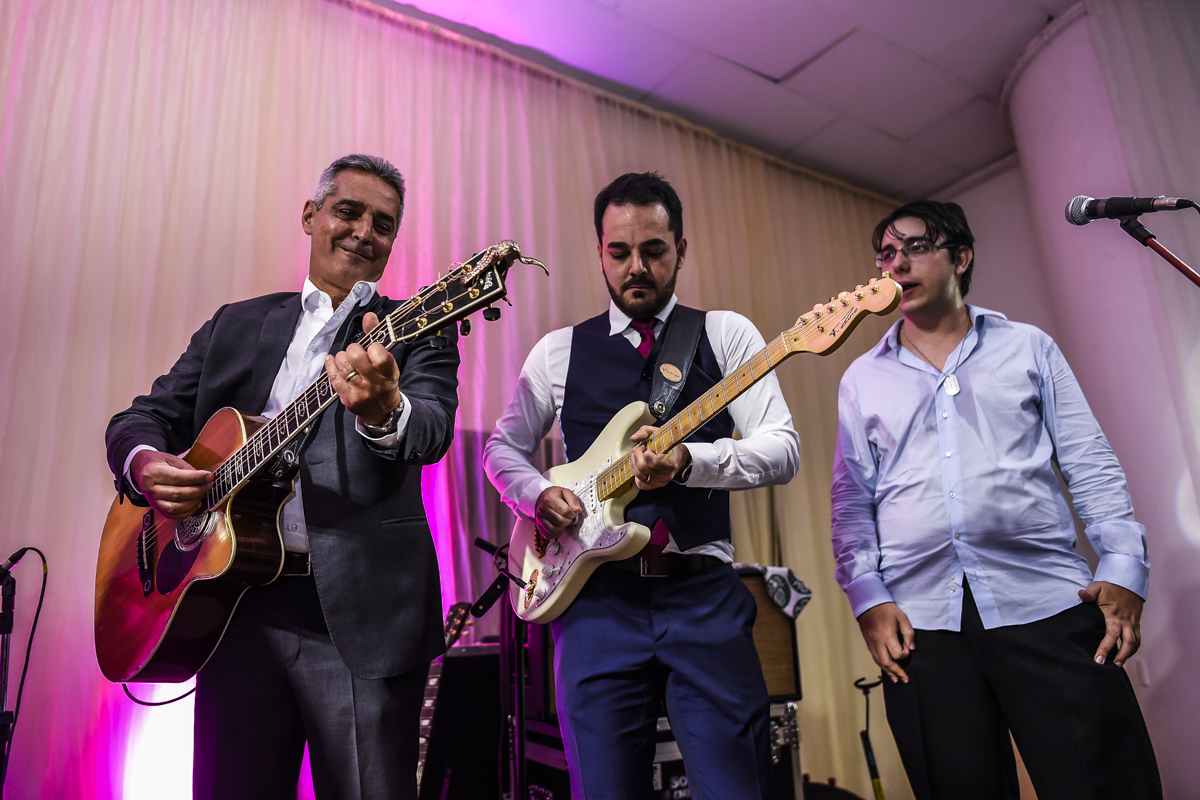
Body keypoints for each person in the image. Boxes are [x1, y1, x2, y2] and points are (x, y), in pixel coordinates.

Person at [105, 154, 460, 800]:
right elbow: (143, 417)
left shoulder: (416, 329)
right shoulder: (234, 325)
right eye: (348, 211)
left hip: (362, 620)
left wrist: (386, 411)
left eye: (383, 224)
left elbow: (431, 428)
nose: (363, 231)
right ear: (311, 216)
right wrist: (148, 465)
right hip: (230, 611)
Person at [484, 171, 799, 799]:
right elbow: (502, 449)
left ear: (681, 248)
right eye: (619, 251)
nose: (636, 267)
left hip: (703, 595)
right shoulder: (556, 353)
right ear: (599, 252)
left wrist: (690, 461)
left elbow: (782, 449)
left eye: (654, 250)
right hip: (596, 601)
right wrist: (539, 495)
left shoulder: (726, 334)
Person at [831, 200, 1161, 799]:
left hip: (1047, 601)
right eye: (885, 254)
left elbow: (1088, 462)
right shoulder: (861, 378)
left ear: (961, 257)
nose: (894, 265)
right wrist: (866, 595)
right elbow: (852, 501)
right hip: (920, 627)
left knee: (1106, 784)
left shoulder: (1028, 347)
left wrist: (1124, 567)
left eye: (914, 248)